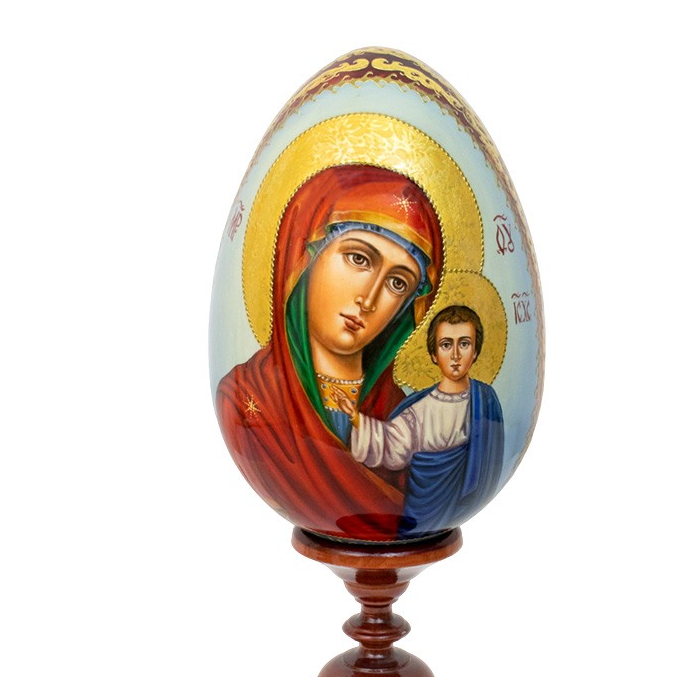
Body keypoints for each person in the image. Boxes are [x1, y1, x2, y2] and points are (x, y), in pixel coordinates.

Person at [215, 166, 443, 541]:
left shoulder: (406, 419)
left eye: (397, 282)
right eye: (359, 259)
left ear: (408, 309)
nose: (369, 299)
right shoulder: (247, 400)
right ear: (305, 258)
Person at [334, 305, 504, 537]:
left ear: (475, 351)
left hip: (463, 505)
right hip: (422, 510)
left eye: (464, 344)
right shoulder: (419, 409)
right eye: (446, 345)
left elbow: (492, 459)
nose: (455, 355)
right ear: (434, 354)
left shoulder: (485, 400)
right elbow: (391, 445)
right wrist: (354, 418)